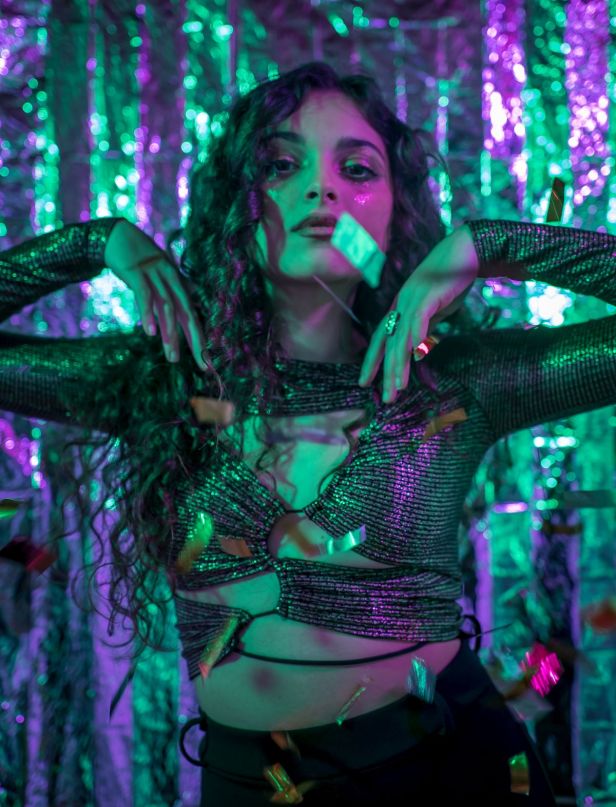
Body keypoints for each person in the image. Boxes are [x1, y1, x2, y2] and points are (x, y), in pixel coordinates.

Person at [1, 60, 614, 806]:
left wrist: (489, 243)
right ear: (235, 201)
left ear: (395, 215)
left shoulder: (459, 383)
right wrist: (98, 243)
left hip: (451, 769)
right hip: (251, 783)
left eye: (357, 170)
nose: (322, 190)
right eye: (280, 165)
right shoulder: (159, 381)